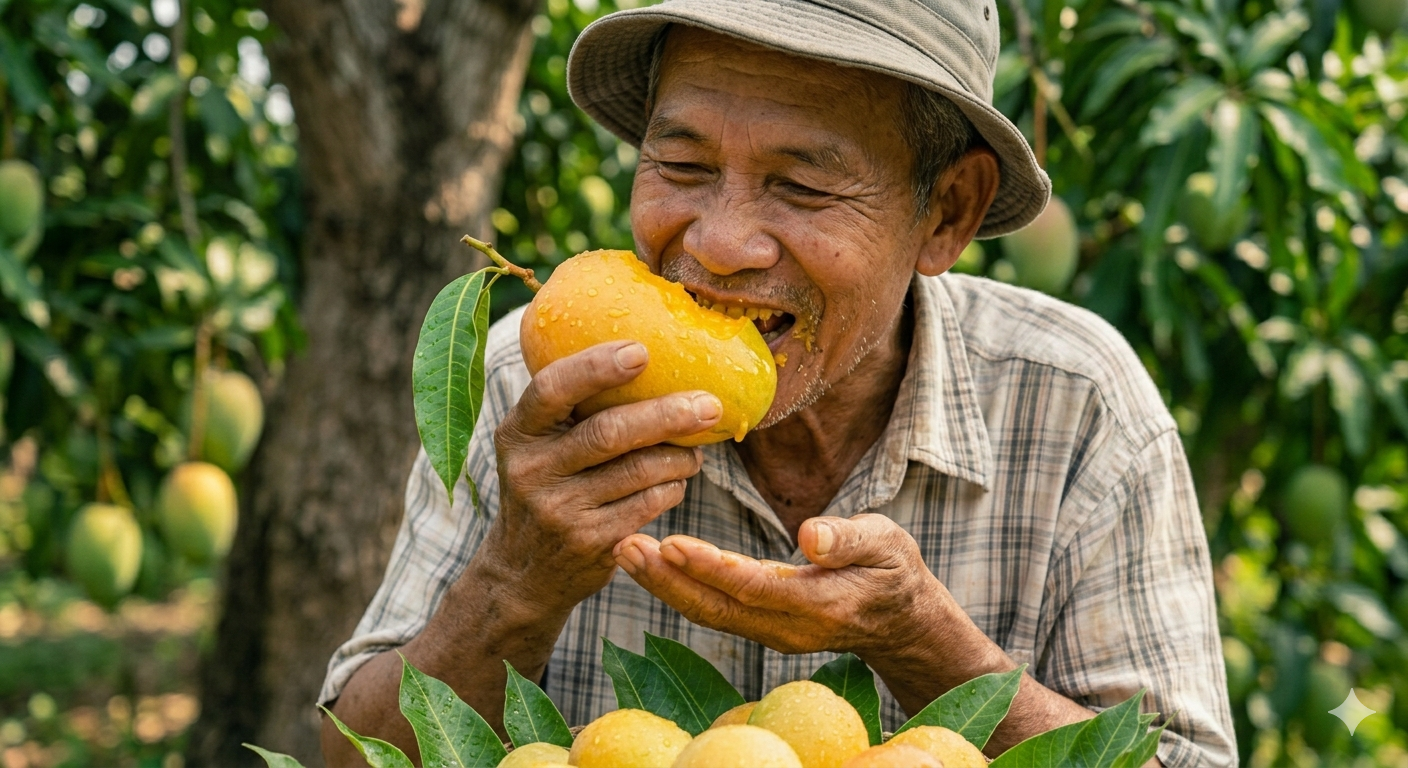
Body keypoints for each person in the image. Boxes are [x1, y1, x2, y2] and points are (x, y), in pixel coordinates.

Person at [319, 2, 1236, 766]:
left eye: (800, 186)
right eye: (681, 166)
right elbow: (353, 752)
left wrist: (927, 647)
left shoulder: (1076, 404)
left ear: (946, 214)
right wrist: (516, 583)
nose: (717, 244)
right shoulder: (541, 377)